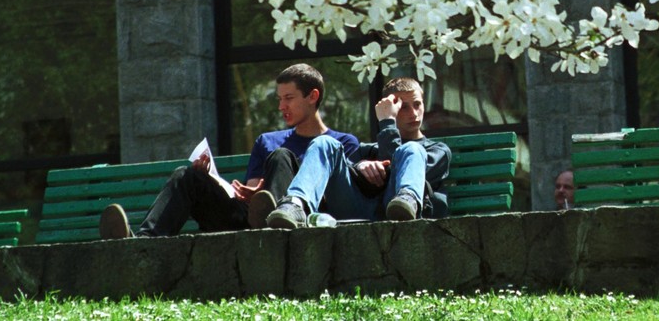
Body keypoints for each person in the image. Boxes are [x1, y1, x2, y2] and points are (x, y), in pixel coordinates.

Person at [99, 63, 361, 239]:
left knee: (282, 157)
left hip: (297, 223)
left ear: (312, 96)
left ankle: (278, 218)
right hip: (251, 219)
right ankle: (142, 241)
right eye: (279, 99)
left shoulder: (341, 144)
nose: (281, 106)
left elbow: (337, 195)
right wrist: (216, 181)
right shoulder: (267, 140)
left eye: (289, 98)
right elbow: (252, 194)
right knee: (186, 175)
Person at [265, 76, 451, 227]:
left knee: (412, 149)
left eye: (417, 104)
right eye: (403, 107)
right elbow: (339, 172)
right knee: (324, 142)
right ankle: (296, 204)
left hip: (398, 209)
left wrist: (387, 123)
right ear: (391, 109)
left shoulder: (438, 151)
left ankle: (407, 201)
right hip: (355, 208)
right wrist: (360, 166)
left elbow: (399, 166)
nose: (413, 113)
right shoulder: (368, 150)